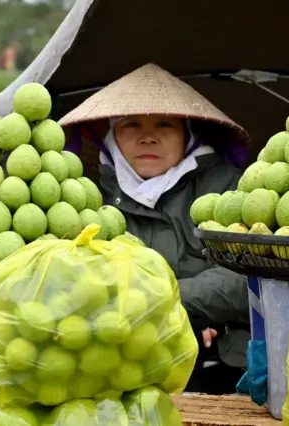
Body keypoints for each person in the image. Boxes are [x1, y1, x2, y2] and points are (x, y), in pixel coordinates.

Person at [58, 63, 251, 394]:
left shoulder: (231, 190)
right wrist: (171, 313)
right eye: (131, 124)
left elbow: (245, 272)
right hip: (113, 359)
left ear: (188, 133)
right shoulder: (85, 198)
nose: (148, 136)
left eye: (165, 124)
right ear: (111, 136)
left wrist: (177, 304)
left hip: (219, 366)